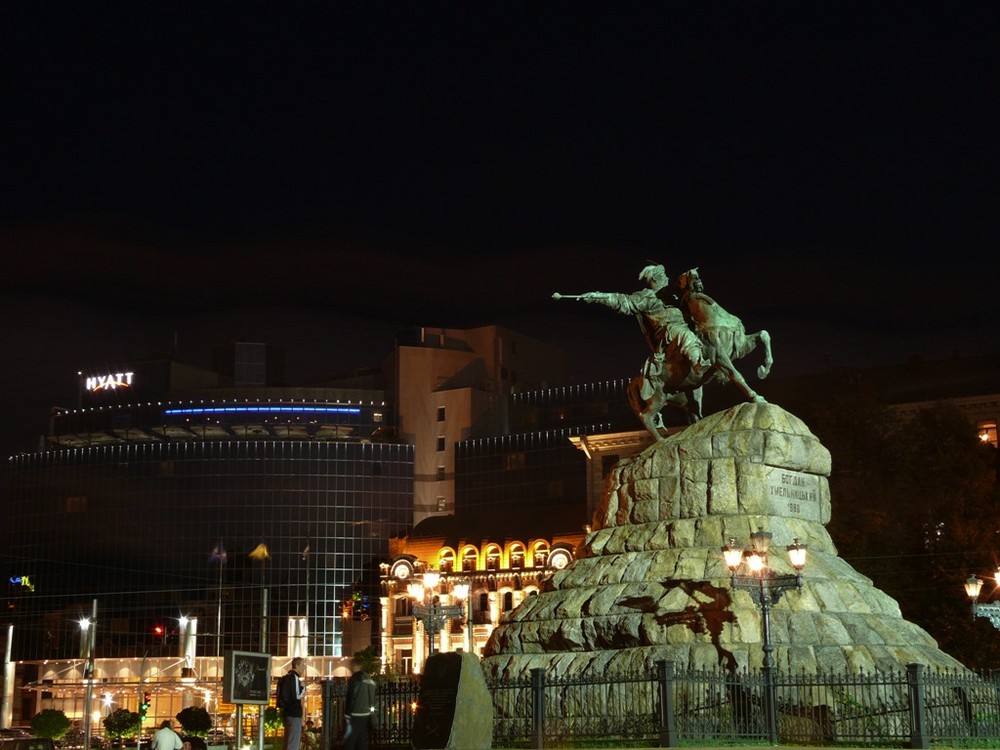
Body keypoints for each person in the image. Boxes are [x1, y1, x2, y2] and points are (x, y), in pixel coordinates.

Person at [577, 262, 709, 399]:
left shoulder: (671, 294)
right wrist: (597, 296)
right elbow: (622, 301)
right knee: (685, 335)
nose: (668, 278)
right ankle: (698, 362)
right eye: (663, 276)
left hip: (688, 325)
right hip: (669, 331)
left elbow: (692, 293)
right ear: (655, 279)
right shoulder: (645, 297)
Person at [343, 660, 377, 750]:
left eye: (351, 666)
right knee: (362, 742)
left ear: (355, 666)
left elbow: (351, 697)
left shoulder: (355, 679)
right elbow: (373, 701)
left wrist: (347, 715)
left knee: (349, 742)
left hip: (355, 715)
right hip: (366, 716)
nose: (350, 668)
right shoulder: (370, 680)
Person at [278, 657, 306, 750]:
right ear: (296, 666)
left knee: (287, 741)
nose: (304, 667)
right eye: (302, 665)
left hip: (287, 713)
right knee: (293, 743)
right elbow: (297, 696)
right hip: (294, 714)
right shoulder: (294, 678)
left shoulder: (286, 678)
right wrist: (303, 687)